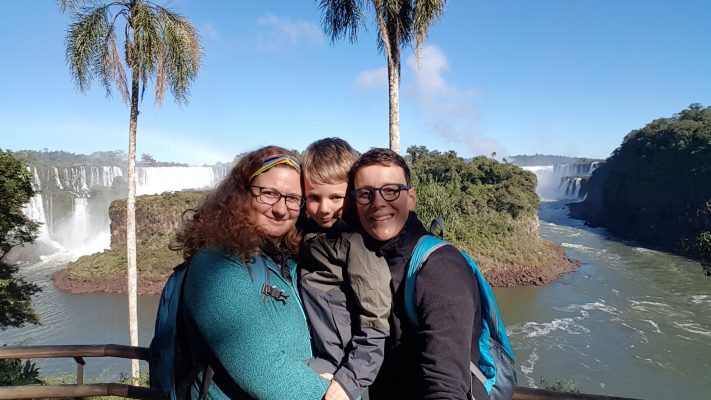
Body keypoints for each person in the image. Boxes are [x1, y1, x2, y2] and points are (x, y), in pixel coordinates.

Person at [172, 146, 329, 399]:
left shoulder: (289, 259)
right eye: (269, 194)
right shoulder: (218, 264)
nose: (280, 209)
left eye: (292, 198)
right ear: (242, 195)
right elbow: (265, 373)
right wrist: (337, 394)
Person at [349, 148, 490, 400]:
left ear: (411, 198)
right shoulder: (366, 258)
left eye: (391, 190)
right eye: (366, 194)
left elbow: (446, 387)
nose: (378, 202)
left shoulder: (439, 267)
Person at [299, 138, 391, 400]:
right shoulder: (310, 232)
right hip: (319, 352)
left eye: (335, 197)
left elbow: (376, 324)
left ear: (351, 195)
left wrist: (349, 383)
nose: (324, 209)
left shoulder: (357, 243)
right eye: (314, 197)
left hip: (341, 368)